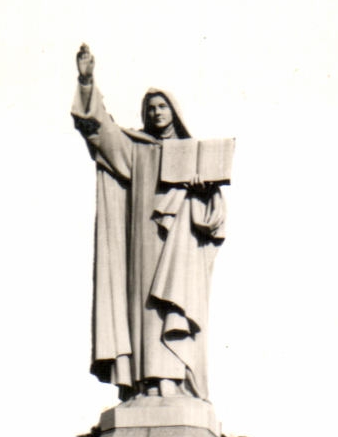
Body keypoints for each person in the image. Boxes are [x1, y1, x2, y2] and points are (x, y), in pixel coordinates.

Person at [71, 44, 227, 401]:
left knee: (173, 307)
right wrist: (86, 81)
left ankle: (173, 381)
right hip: (143, 245)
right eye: (151, 108)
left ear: (174, 112)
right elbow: (97, 130)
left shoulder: (195, 154)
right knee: (146, 311)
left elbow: (215, 219)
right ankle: (146, 382)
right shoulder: (136, 149)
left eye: (162, 107)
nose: (156, 113)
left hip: (180, 245)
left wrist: (204, 192)